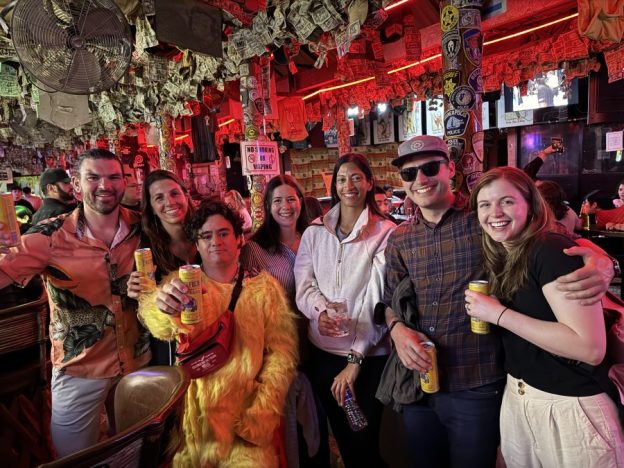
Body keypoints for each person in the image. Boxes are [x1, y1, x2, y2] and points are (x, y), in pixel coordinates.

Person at [379, 135, 615, 468]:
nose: (420, 179)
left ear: (450, 169)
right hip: (420, 381)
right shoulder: (401, 238)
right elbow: (390, 299)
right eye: (409, 173)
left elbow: (557, 240)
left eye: (430, 168)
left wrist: (604, 262)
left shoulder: (484, 219)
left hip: (479, 380)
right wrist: (397, 330)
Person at [465, 167, 624, 467]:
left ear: (530, 204)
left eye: (507, 201)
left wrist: (497, 314)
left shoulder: (549, 249)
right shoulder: (504, 252)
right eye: (485, 204)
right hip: (520, 396)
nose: (494, 212)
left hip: (571, 405)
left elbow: (589, 348)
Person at [0, 149, 151, 457]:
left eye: (113, 177)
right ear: (77, 184)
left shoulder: (144, 227)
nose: (105, 185)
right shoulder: (48, 236)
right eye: (93, 177)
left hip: (139, 363)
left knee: (137, 454)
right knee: (74, 457)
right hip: (80, 367)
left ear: (124, 182)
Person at [138, 199, 298, 467]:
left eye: (223, 233)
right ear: (197, 245)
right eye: (206, 236)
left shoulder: (265, 289)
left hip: (242, 420)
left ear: (239, 239)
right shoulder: (180, 284)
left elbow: (281, 356)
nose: (215, 241)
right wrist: (161, 306)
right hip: (195, 424)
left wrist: (261, 413)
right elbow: (161, 328)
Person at [294, 153, 395, 467]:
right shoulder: (314, 232)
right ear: (334, 186)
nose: (348, 185)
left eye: (355, 178)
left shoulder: (385, 231)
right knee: (342, 436)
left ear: (369, 183)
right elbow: (304, 285)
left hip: (368, 359)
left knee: (364, 440)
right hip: (324, 354)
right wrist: (320, 312)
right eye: (341, 179)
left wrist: (356, 358)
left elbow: (377, 298)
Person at [240, 174, 329, 467]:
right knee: (294, 426)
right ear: (267, 206)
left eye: (291, 199)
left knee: (321, 417)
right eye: (277, 200)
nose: (286, 206)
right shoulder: (255, 250)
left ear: (301, 202)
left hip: (322, 343)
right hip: (283, 352)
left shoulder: (318, 237)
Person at [126, 169, 196, 365]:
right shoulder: (147, 251)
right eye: (159, 198)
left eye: (174, 193)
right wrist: (138, 295)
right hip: (170, 348)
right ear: (152, 208)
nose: (170, 202)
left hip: (210, 337)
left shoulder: (206, 236)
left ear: (186, 195)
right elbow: (145, 315)